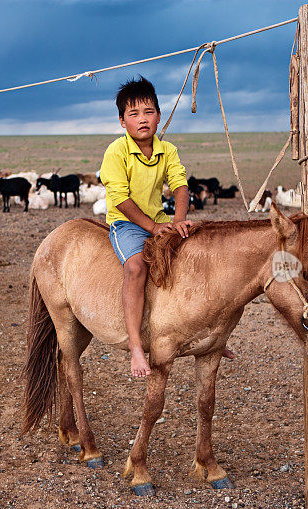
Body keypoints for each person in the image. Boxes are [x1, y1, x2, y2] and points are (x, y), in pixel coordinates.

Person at [99, 76, 192, 378]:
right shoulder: (116, 151)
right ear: (122, 121)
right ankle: (137, 346)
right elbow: (121, 199)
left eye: (148, 112)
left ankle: (206, 335)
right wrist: (153, 227)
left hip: (159, 221)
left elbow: (180, 186)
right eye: (134, 114)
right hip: (126, 224)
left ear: (159, 116)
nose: (143, 119)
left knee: (197, 252)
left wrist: (178, 222)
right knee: (136, 267)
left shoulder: (168, 150)